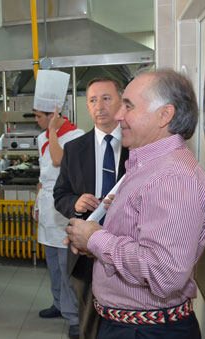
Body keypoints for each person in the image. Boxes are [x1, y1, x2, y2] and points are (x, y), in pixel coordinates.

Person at [65, 70, 205, 339]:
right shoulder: (148, 165)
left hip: (147, 331)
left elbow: (165, 272)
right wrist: (93, 243)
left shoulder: (173, 177)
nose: (119, 115)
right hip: (132, 326)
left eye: (129, 106)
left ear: (164, 115)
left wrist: (97, 238)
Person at [53, 77, 129, 339]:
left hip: (126, 252)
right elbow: (60, 194)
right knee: (89, 326)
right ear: (87, 107)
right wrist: (75, 202)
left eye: (107, 98)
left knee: (123, 325)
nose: (100, 106)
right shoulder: (74, 149)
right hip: (85, 253)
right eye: (93, 100)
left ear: (121, 101)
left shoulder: (136, 147)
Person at [32, 70, 84, 339]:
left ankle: (74, 318)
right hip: (47, 210)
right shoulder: (42, 137)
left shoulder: (76, 136)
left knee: (66, 269)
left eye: (40, 116)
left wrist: (52, 131)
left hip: (64, 212)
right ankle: (57, 304)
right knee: (52, 265)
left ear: (53, 114)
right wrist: (36, 200)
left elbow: (58, 161)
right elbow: (44, 173)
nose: (37, 121)